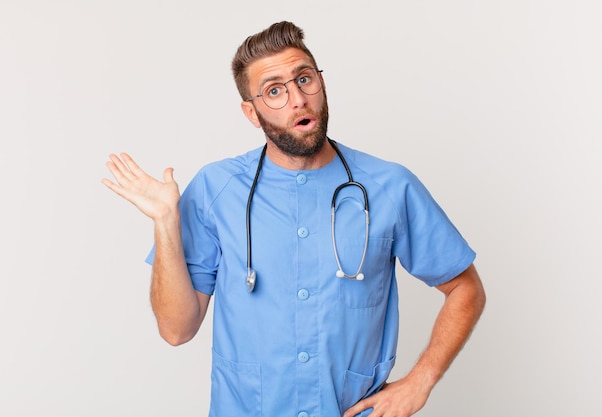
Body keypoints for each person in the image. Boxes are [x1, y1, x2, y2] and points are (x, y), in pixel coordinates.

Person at [102, 21, 486, 417]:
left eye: (304, 79)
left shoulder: (390, 186)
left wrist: (419, 382)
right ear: (251, 113)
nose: (297, 99)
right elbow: (177, 330)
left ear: (321, 82)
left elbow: (465, 289)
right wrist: (166, 222)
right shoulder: (216, 189)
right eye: (274, 91)